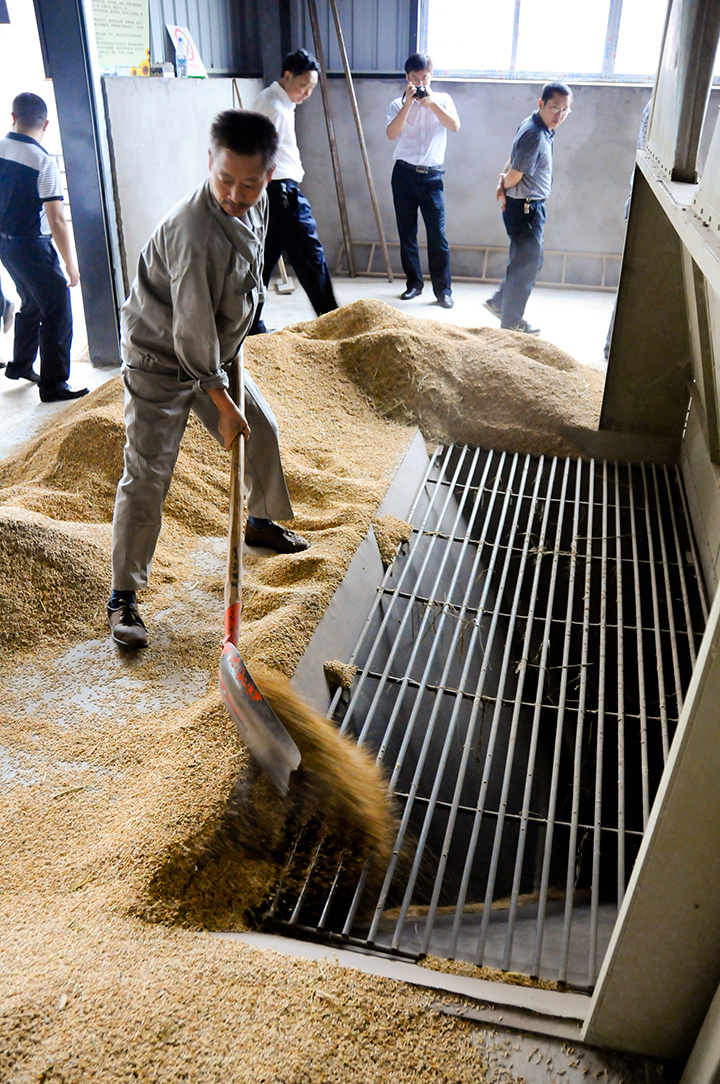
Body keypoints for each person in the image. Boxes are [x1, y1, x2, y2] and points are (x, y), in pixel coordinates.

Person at [108, 110, 309, 649]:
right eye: (224, 179)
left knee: (259, 429)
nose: (234, 194)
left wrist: (235, 348)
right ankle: (123, 597)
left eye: (248, 183)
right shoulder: (193, 230)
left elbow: (242, 286)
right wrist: (222, 402)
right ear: (210, 162)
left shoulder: (258, 202)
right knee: (148, 473)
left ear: (269, 174)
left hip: (214, 353)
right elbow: (191, 331)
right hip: (160, 359)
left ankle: (261, 521)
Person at [0, 92, 87, 401]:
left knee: (32, 301)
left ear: (13, 118)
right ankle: (53, 385)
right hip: (31, 247)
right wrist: (70, 263)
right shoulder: (43, 162)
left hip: (6, 245)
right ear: (46, 124)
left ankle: (20, 365)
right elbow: (57, 220)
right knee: (59, 309)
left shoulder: (1, 149)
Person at [249, 49, 337, 335]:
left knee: (262, 264)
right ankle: (335, 324)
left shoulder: (277, 101)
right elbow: (260, 155)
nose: (307, 93)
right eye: (303, 86)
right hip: (281, 194)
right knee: (312, 259)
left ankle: (250, 326)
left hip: (275, 194)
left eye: (311, 88)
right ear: (287, 76)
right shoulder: (274, 106)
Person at [484, 82, 573, 336]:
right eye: (555, 107)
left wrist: (502, 183)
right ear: (541, 104)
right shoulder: (535, 133)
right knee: (525, 265)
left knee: (529, 261)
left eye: (565, 110)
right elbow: (516, 173)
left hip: (527, 206)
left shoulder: (538, 127)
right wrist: (503, 184)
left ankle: (500, 303)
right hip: (526, 209)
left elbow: (513, 159)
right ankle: (510, 320)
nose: (560, 115)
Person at [386, 53, 460, 310]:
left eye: (424, 78)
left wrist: (431, 105)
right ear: (407, 78)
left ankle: (443, 291)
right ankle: (413, 285)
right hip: (403, 175)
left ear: (431, 76)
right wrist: (409, 104)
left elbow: (454, 126)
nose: (420, 83)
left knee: (437, 235)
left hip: (431, 176)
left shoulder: (444, 100)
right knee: (407, 233)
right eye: (415, 78)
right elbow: (391, 133)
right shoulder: (397, 104)